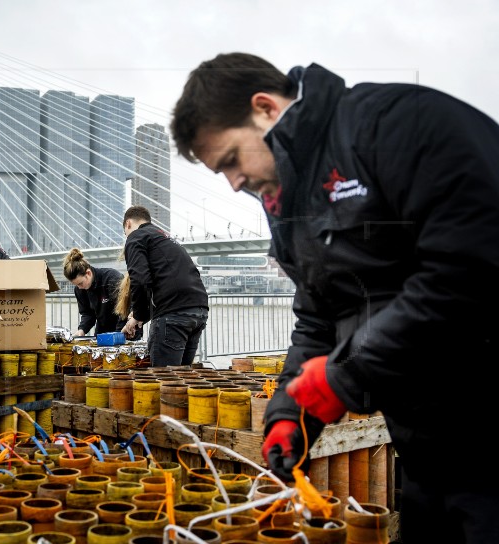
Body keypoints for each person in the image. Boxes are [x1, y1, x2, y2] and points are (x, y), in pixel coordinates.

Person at [170, 52, 499, 543]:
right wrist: (290, 413)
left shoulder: (394, 124)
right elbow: (318, 316)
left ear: (265, 108)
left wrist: (347, 375)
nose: (235, 183)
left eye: (232, 160)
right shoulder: (289, 202)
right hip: (427, 442)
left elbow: (469, 268)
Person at [120, 206, 208, 366]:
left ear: (128, 224)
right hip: (198, 310)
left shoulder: (135, 237)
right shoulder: (164, 237)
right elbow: (168, 282)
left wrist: (138, 315)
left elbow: (140, 280)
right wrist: (139, 318)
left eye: (125, 232)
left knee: (165, 382)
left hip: (174, 315)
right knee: (181, 379)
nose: (126, 236)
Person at [62, 247, 140, 339]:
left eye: (80, 283)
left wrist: (118, 335)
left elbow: (124, 309)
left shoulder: (112, 278)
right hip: (103, 332)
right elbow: (87, 314)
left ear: (88, 273)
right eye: (76, 285)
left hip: (126, 330)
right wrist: (82, 330)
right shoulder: (79, 290)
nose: (79, 287)